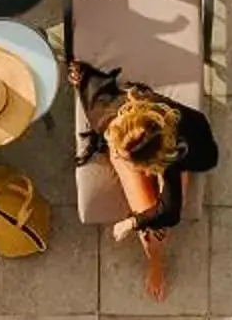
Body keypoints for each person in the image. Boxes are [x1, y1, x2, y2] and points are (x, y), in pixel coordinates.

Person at [68, 55, 219, 298]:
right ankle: (155, 259)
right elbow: (86, 78)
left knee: (158, 224)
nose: (113, 151)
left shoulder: (174, 156)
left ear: (151, 165)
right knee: (151, 226)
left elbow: (170, 212)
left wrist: (131, 222)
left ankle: (156, 262)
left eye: (119, 152)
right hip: (156, 143)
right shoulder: (116, 111)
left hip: (184, 153)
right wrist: (80, 74)